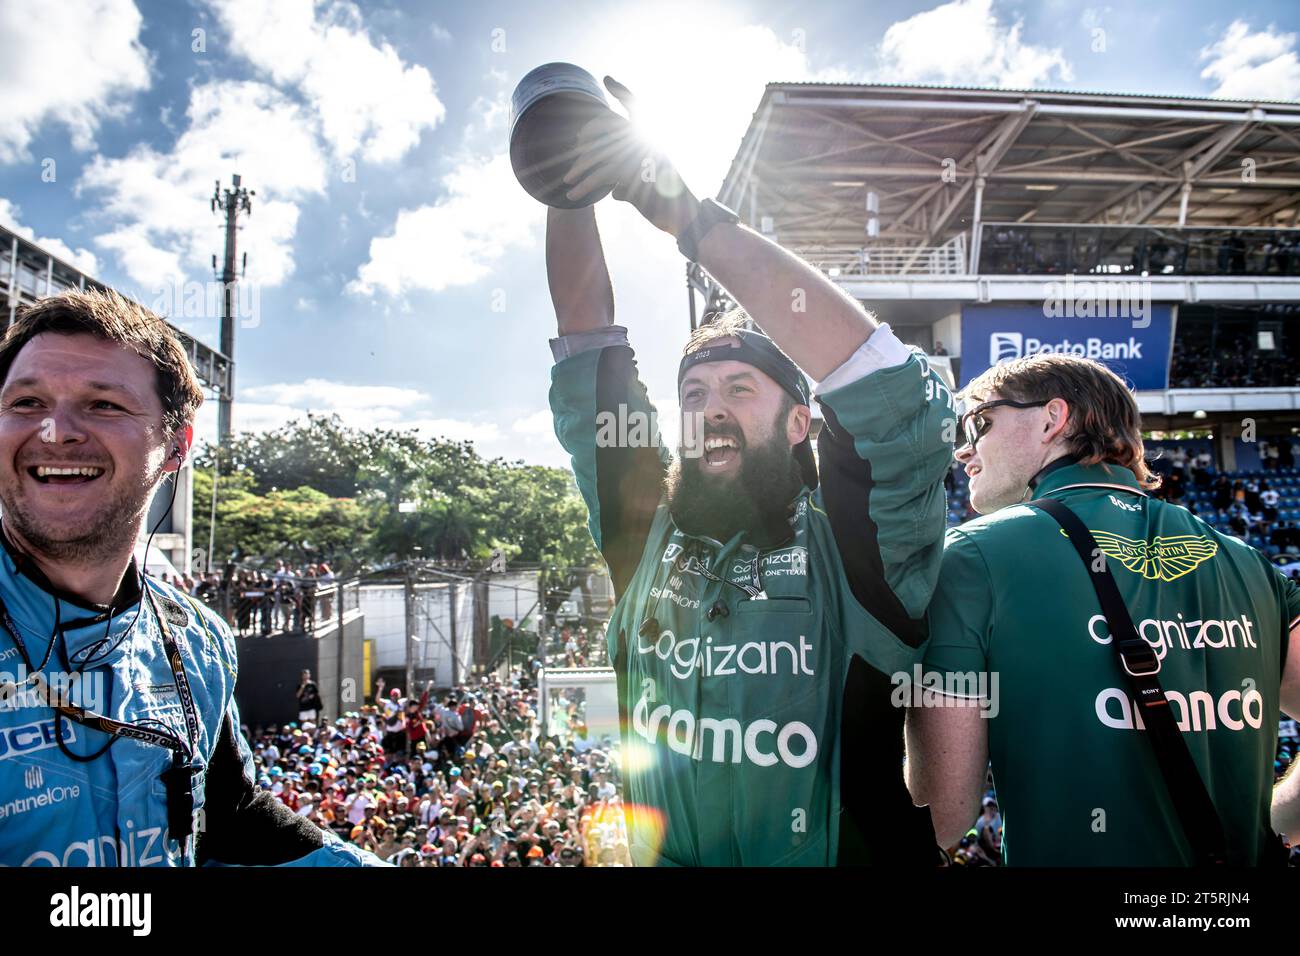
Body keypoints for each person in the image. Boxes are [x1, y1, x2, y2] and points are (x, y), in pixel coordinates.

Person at [539, 78, 954, 865]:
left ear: (802, 422)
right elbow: (586, 342)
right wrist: (568, 177)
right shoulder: (644, 536)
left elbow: (881, 381)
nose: (711, 407)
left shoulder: (860, 552)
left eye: (739, 389)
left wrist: (688, 220)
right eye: (693, 393)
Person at [0, 289, 383, 866]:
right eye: (26, 402)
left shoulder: (198, 641)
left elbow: (230, 810)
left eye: (103, 404)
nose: (56, 431)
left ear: (177, 445)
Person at [905, 352, 1300, 865]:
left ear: (1053, 418)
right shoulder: (1249, 563)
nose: (964, 450)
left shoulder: (972, 556)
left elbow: (943, 812)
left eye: (980, 422)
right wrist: (1268, 824)